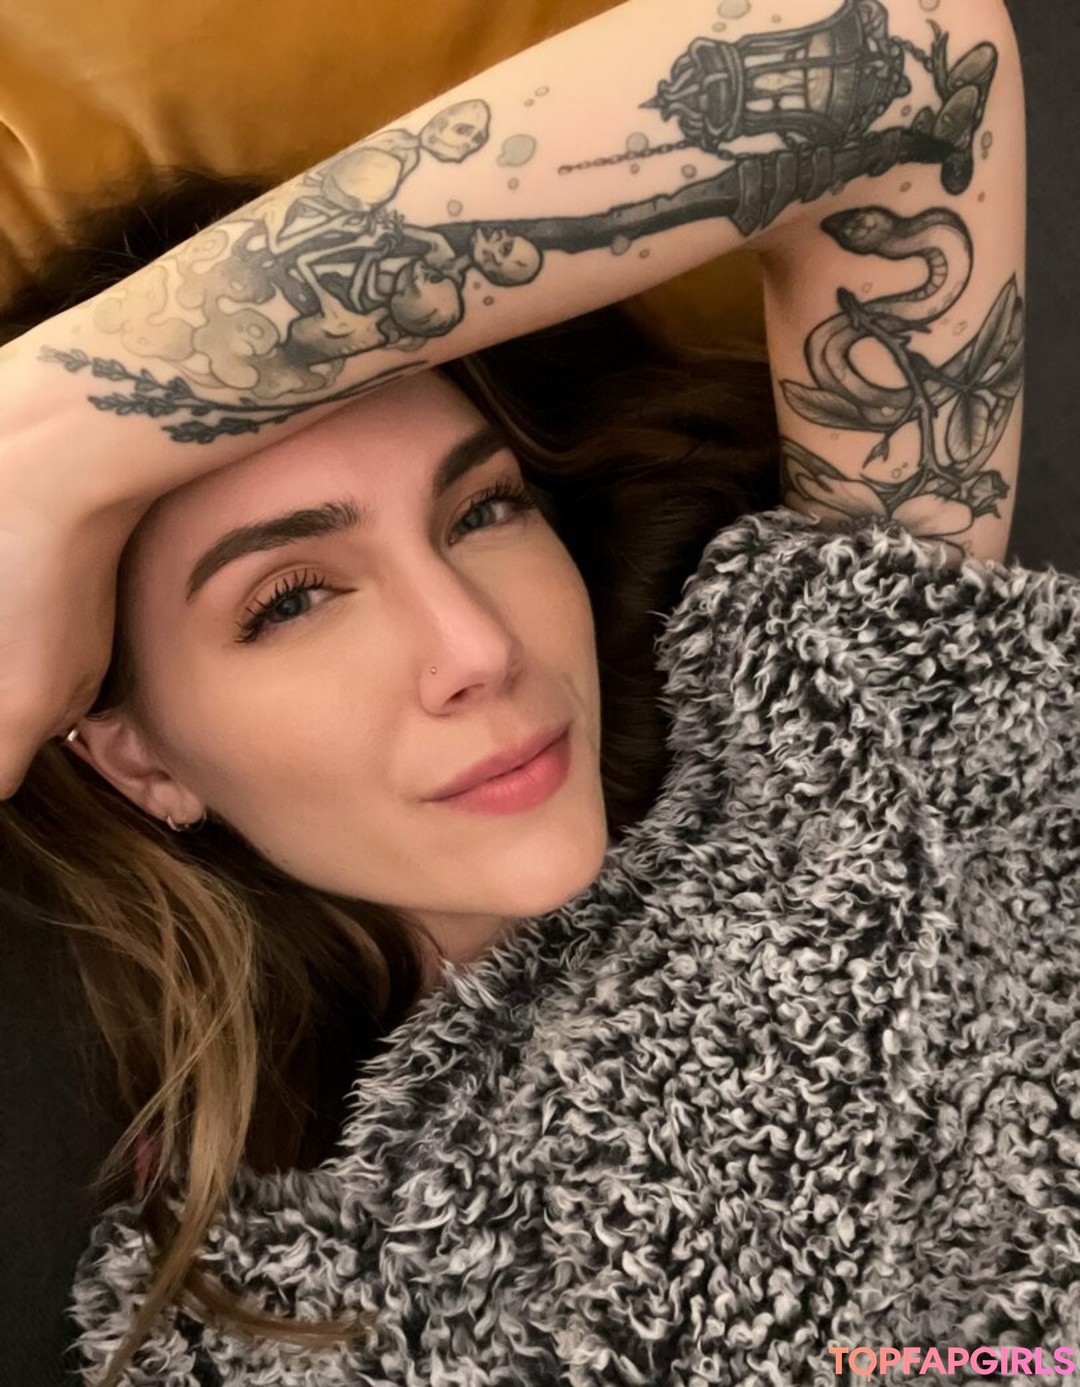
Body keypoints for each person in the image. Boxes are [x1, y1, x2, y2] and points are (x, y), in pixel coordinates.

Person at [1, 2, 1071, 1385]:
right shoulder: (242, 1324)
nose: (476, 646)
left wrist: (46, 437)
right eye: (293, 599)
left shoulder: (834, 746)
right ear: (140, 759)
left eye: (483, 511)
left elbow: (896, 61)